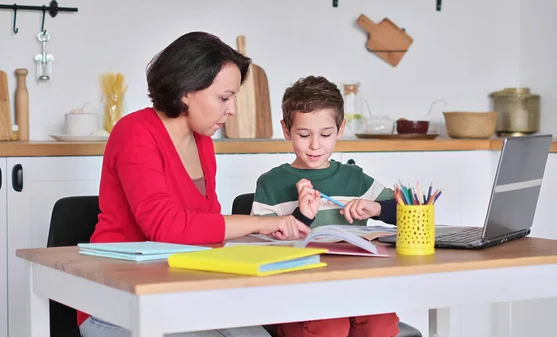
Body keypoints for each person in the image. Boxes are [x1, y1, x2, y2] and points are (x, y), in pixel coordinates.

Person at [77, 31, 311, 337]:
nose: (232, 110)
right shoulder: (134, 133)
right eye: (224, 98)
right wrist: (261, 224)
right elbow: (165, 227)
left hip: (180, 293)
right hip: (117, 301)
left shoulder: (203, 142)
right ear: (187, 90)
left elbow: (206, 227)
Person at [251, 76, 400, 337]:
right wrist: (302, 217)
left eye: (326, 134)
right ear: (286, 130)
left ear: (340, 129)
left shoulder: (356, 179)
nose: (315, 145)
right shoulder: (270, 184)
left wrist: (376, 208)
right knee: (329, 326)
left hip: (354, 287)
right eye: (304, 134)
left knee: (381, 322)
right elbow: (256, 252)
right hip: (297, 293)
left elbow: (405, 210)